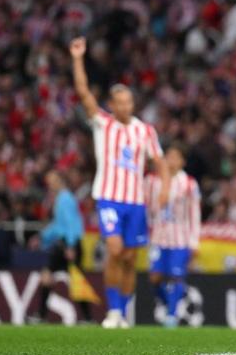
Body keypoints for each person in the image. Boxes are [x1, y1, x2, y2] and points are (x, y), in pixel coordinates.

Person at [69, 37, 170, 329]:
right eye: (121, 103)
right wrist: (77, 58)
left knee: (128, 258)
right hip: (109, 197)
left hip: (135, 201)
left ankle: (122, 313)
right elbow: (82, 91)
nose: (126, 107)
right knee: (114, 250)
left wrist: (164, 187)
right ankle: (113, 311)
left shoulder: (145, 131)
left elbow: (159, 162)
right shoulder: (103, 123)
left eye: (129, 102)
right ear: (111, 105)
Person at [145, 143, 201, 328]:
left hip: (180, 239)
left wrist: (194, 242)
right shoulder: (152, 181)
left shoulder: (189, 184)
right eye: (168, 156)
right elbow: (146, 209)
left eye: (176, 157)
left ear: (182, 162)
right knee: (154, 278)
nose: (171, 161)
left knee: (176, 277)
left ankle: (171, 316)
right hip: (158, 238)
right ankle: (168, 303)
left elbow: (194, 214)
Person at [32, 170, 90, 323]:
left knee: (76, 281)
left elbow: (71, 224)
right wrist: (42, 236)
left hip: (69, 244)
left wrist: (71, 246)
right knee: (48, 276)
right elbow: (58, 225)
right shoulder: (61, 199)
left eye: (52, 181)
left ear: (60, 181)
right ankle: (42, 315)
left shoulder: (66, 199)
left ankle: (88, 317)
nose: (49, 185)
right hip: (64, 244)